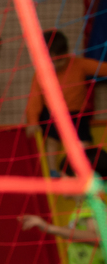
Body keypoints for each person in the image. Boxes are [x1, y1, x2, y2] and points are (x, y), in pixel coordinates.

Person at [25, 30, 107, 177]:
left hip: (76, 113)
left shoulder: (78, 64)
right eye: (51, 61)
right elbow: (34, 100)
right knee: (51, 140)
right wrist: (32, 122)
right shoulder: (41, 73)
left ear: (66, 54)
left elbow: (102, 69)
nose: (55, 65)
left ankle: (83, 172)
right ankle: (53, 171)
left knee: (84, 144)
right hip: (53, 114)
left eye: (59, 61)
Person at [19, 206, 105, 264]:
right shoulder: (80, 208)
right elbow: (72, 232)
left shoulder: (91, 206)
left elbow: (97, 238)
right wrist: (45, 226)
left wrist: (50, 228)